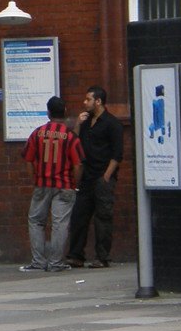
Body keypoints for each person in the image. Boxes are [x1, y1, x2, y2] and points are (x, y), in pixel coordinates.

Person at [20, 96, 83, 272]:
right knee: (60, 224)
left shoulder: (37, 133)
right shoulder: (71, 137)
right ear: (65, 112)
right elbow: (78, 164)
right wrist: (75, 184)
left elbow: (28, 159)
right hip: (65, 185)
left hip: (42, 183)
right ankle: (56, 263)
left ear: (48, 113)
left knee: (36, 221)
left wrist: (34, 180)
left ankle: (38, 262)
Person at [65, 85, 123, 268]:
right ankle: (76, 255)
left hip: (101, 176)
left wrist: (106, 176)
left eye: (88, 99)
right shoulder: (86, 122)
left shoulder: (112, 124)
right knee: (79, 216)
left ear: (98, 101)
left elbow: (117, 153)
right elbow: (74, 144)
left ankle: (102, 257)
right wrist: (77, 125)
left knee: (103, 218)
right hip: (86, 176)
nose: (84, 103)